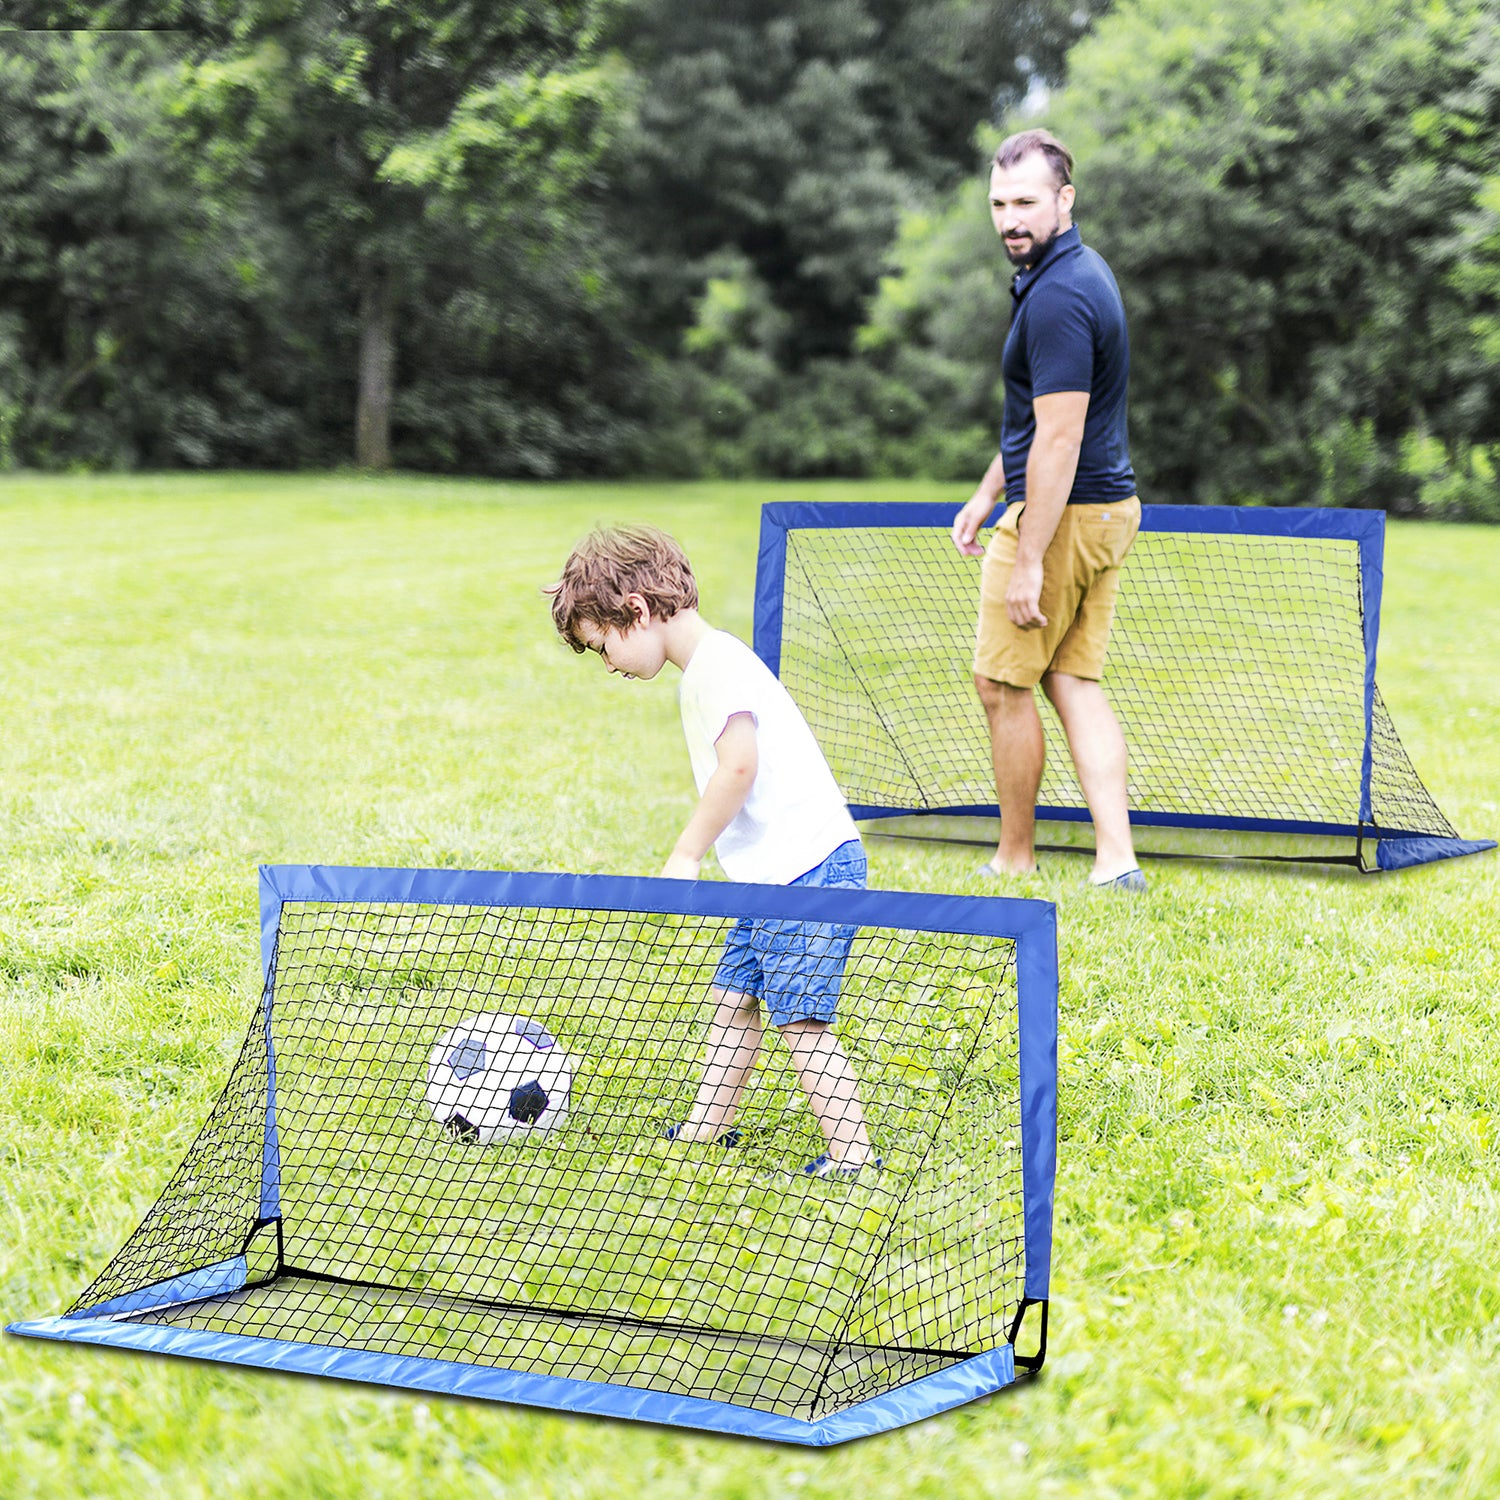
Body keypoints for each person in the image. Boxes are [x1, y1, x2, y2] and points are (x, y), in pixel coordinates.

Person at [545, 524, 880, 1178]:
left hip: (805, 870)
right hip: (768, 880)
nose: (609, 664)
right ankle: (706, 1128)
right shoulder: (707, 667)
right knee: (735, 999)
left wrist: (687, 853)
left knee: (800, 1019)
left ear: (636, 611)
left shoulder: (716, 669)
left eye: (604, 645)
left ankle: (853, 1156)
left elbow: (738, 769)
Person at [951, 127, 1146, 892]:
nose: (1010, 219)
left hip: (1066, 514)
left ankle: (1016, 855)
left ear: (1065, 199)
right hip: (1107, 511)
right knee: (1072, 678)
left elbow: (1059, 440)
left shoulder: (1060, 295)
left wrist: (1028, 556)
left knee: (1003, 684)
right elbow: (1042, 422)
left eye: (1026, 201)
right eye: (999, 203)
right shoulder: (1070, 272)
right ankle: (1116, 859)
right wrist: (988, 490)